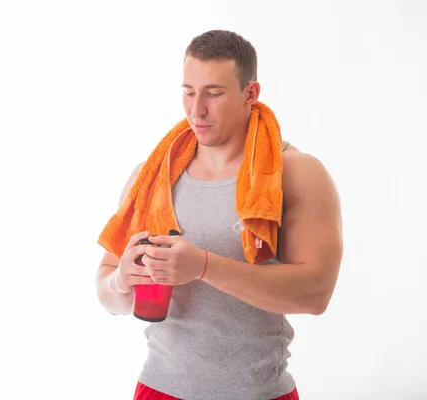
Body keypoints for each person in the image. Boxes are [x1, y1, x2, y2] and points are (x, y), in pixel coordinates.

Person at [95, 30, 343, 400]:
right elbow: (107, 291)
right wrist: (122, 281)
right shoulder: (152, 177)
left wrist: (204, 266)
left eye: (214, 93)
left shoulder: (297, 173)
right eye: (189, 91)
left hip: (259, 391)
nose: (197, 110)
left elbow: (315, 294)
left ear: (250, 93)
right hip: (159, 387)